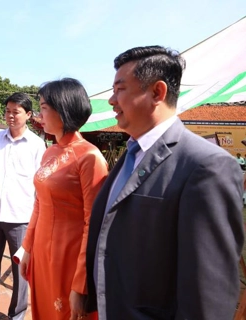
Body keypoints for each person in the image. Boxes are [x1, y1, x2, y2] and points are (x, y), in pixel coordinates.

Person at [86, 46, 244, 320]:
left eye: (120, 89)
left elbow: (209, 290)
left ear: (157, 93)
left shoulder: (207, 165)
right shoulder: (130, 156)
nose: (111, 99)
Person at [18, 79, 108, 320]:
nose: (39, 114)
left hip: (69, 258)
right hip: (41, 252)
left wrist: (82, 283)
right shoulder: (49, 152)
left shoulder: (90, 157)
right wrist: (27, 248)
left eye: (44, 107)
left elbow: (95, 224)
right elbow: (39, 203)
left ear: (63, 108)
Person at [0, 92, 46, 320]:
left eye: (16, 112)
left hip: (21, 218)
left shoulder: (37, 145)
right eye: (7, 111)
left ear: (28, 114)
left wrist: (38, 218)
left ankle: (17, 315)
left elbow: (40, 184)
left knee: (21, 271)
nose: (10, 116)